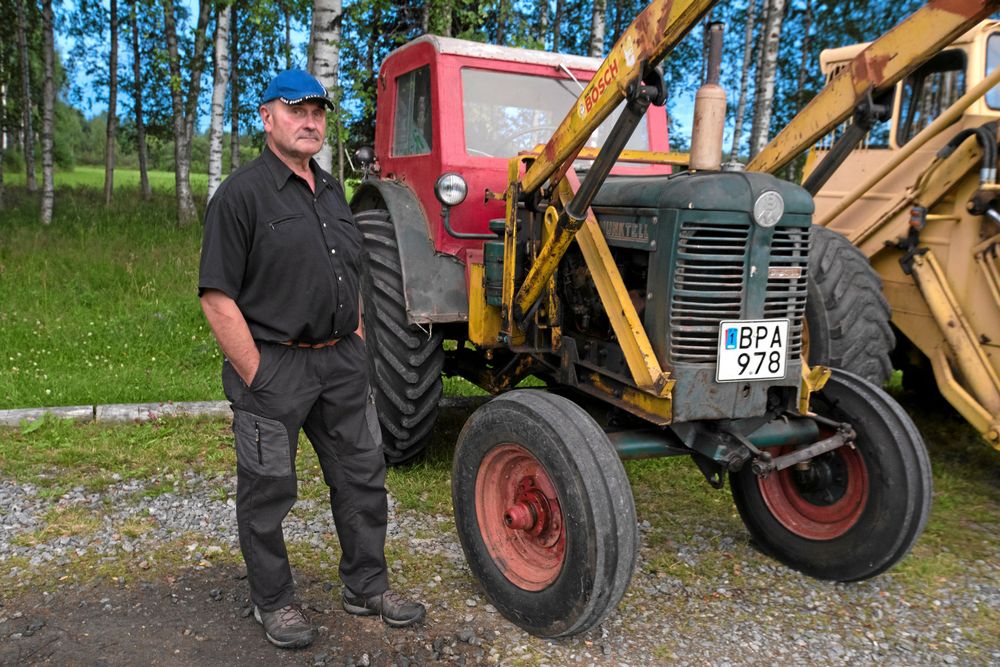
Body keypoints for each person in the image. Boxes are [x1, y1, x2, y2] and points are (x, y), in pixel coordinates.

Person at [198, 69, 425, 650]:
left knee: (363, 478)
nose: (310, 121)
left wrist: (355, 343)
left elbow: (349, 275)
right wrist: (257, 372)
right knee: (268, 490)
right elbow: (218, 297)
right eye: (295, 109)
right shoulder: (241, 195)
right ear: (266, 116)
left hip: (342, 366)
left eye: (318, 111)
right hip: (275, 368)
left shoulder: (332, 192)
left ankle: (366, 586)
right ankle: (272, 601)